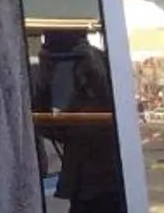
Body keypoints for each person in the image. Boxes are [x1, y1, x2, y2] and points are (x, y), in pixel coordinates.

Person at [38, 31, 128, 213]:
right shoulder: (85, 64)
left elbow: (66, 124)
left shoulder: (91, 66)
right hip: (92, 183)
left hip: (100, 182)